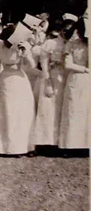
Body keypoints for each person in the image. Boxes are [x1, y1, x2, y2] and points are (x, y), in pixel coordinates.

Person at [0, 22, 36, 156]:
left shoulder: (23, 45)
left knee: (19, 113)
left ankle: (20, 147)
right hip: (5, 80)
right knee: (5, 113)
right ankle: (1, 147)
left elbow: (32, 65)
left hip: (19, 80)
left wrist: (26, 53)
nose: (7, 43)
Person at [33, 19, 68, 150]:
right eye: (64, 30)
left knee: (61, 109)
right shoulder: (50, 43)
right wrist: (47, 80)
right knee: (48, 108)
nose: (66, 33)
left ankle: (60, 141)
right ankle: (45, 142)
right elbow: (44, 62)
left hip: (65, 78)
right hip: (51, 78)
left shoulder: (70, 43)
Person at [59, 17, 89, 151]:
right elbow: (67, 64)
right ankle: (70, 145)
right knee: (73, 110)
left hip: (88, 81)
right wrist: (85, 69)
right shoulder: (71, 44)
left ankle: (86, 144)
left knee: (87, 111)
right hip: (77, 79)